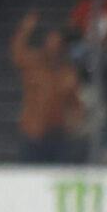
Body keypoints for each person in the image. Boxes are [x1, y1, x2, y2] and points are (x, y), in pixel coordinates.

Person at [10, 11, 85, 163]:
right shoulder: (34, 64)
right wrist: (24, 30)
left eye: (57, 45)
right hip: (32, 131)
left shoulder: (68, 74)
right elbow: (17, 54)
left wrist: (74, 122)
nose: (53, 48)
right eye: (50, 44)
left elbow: (76, 105)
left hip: (56, 134)